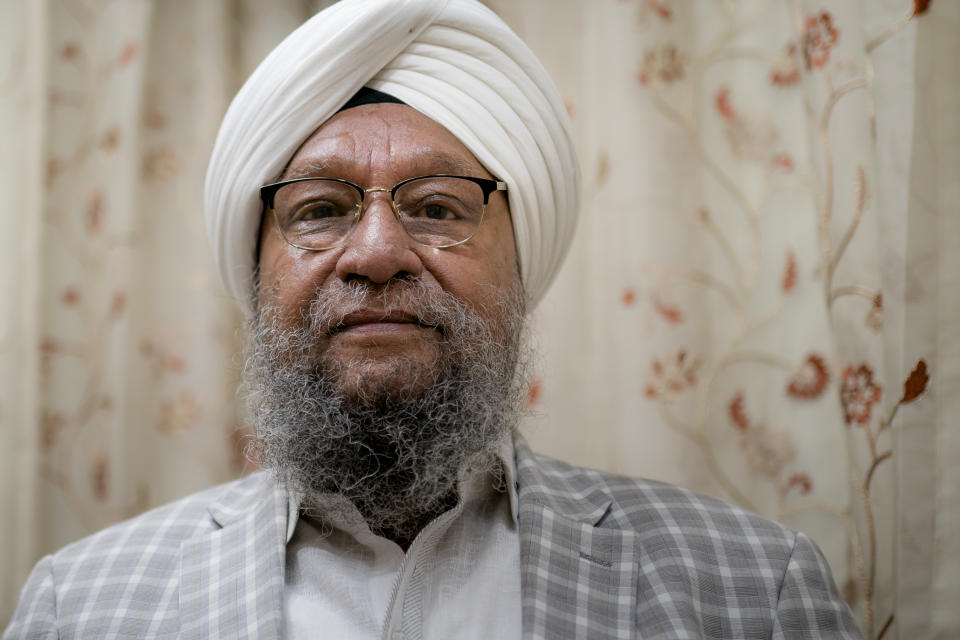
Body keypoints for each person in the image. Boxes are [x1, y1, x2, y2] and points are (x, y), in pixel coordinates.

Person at [4, 1, 862, 638]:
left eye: (441, 208)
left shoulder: (754, 589)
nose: (376, 253)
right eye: (319, 209)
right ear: (256, 268)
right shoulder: (79, 605)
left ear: (521, 265)